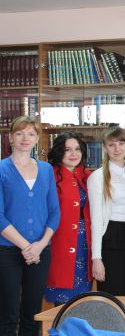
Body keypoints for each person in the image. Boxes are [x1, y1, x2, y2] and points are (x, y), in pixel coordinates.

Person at [0, 116, 60, 336]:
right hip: (7, 250)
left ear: (37, 138)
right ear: (10, 137)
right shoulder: (2, 169)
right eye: (19, 133)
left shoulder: (46, 170)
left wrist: (40, 245)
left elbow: (54, 212)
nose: (25, 138)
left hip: (40, 251)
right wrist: (27, 247)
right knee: (8, 314)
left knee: (33, 314)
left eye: (31, 134)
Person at [87, 127, 125, 295]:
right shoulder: (97, 177)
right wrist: (96, 258)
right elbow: (96, 220)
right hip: (111, 237)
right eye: (111, 145)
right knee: (113, 293)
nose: (117, 149)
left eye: (121, 143)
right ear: (104, 148)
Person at [45, 134, 92, 306]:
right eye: (68, 150)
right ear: (59, 152)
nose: (74, 154)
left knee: (82, 300)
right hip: (58, 239)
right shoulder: (49, 174)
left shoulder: (88, 175)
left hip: (85, 243)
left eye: (77, 149)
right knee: (61, 300)